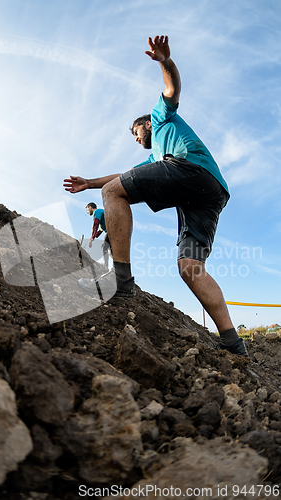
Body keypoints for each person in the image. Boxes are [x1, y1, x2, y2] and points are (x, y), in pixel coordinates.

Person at [64, 35, 247, 356]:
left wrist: (165, 61)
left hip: (191, 169)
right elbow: (120, 178)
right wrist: (89, 182)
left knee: (113, 192)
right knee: (190, 266)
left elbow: (172, 88)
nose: (137, 139)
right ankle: (233, 341)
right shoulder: (155, 158)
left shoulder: (161, 117)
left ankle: (121, 282)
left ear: (146, 124)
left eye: (137, 133)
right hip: (211, 192)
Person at [85, 202, 111, 270]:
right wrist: (96, 235)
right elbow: (101, 228)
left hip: (111, 230)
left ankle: (105, 267)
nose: (87, 212)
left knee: (104, 247)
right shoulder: (101, 212)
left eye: (87, 210)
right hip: (114, 230)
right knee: (110, 249)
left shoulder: (96, 211)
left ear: (90, 207)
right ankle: (116, 266)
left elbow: (96, 223)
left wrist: (91, 238)